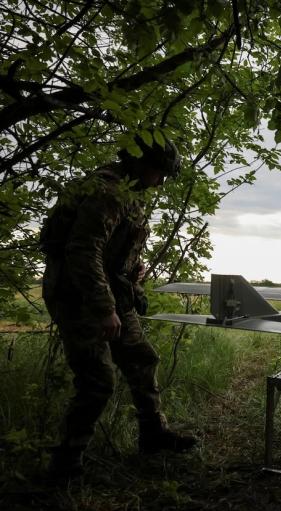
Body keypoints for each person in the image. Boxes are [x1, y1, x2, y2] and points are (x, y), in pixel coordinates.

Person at [40, 133, 196, 478]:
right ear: (141, 164)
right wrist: (104, 308)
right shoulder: (105, 192)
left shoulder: (129, 194)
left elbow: (111, 249)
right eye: (160, 173)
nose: (160, 182)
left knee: (141, 359)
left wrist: (131, 270)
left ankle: (153, 435)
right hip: (80, 296)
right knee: (97, 379)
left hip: (112, 293)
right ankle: (65, 464)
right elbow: (83, 251)